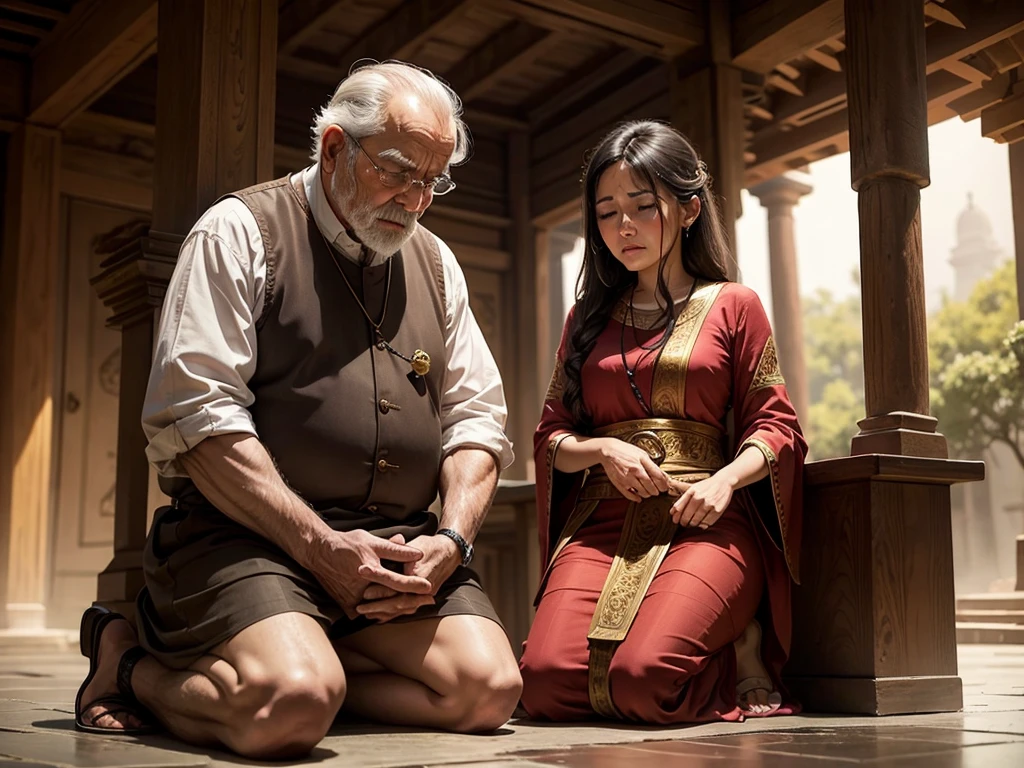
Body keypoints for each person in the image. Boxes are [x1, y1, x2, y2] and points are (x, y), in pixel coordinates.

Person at [73, 61, 522, 758]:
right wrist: (318, 546)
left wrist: (453, 542)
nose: (415, 199)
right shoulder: (237, 230)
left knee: (488, 691)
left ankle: (310, 671)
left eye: (432, 180)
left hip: (395, 549)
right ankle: (129, 664)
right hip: (247, 540)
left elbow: (477, 420)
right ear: (335, 148)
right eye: (400, 171)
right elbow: (198, 418)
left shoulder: (437, 264)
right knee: (289, 710)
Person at [518, 120, 806, 724]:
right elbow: (550, 436)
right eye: (606, 212)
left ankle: (741, 647)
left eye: (643, 206)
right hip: (602, 522)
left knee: (645, 681)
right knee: (542, 685)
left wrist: (723, 481)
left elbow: (776, 429)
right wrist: (602, 452)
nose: (623, 226)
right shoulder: (586, 319)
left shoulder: (735, 304)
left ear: (689, 208)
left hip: (706, 520)